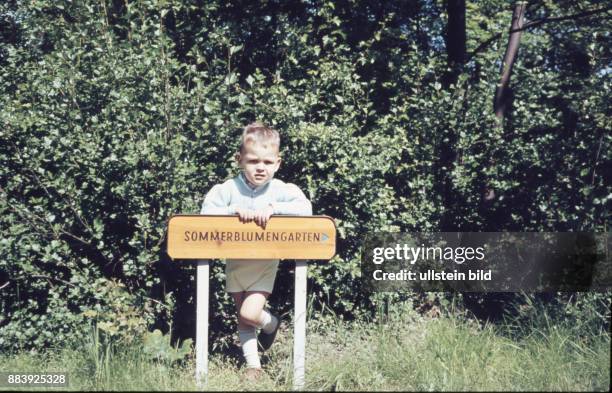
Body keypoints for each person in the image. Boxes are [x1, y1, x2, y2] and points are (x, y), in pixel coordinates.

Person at [200, 122, 313, 380]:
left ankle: (272, 324)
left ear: (277, 163)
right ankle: (254, 366)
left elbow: (305, 209)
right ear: (240, 160)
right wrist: (232, 211)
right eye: (253, 161)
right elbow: (206, 211)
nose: (260, 167)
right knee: (243, 318)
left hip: (264, 263)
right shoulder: (228, 189)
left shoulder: (281, 190)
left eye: (267, 162)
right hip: (236, 262)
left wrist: (274, 208)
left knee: (249, 313)